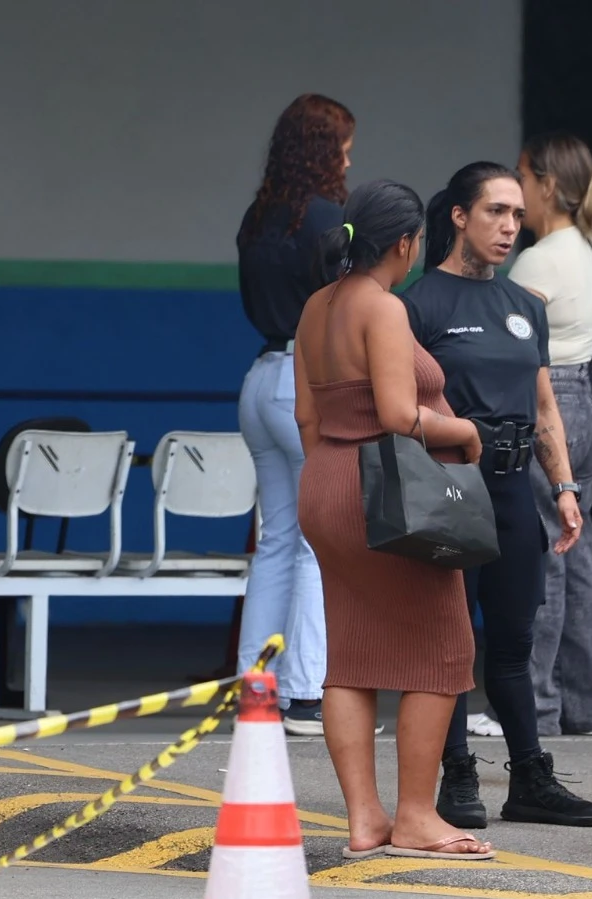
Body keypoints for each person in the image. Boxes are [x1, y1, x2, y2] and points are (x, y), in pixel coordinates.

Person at [402, 162, 592, 829]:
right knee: (450, 644)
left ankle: (529, 777)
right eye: (495, 211)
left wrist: (566, 487)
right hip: (450, 487)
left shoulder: (524, 306)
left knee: (516, 640)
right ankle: (456, 775)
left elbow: (544, 404)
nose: (509, 227)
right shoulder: (418, 304)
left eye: (518, 215)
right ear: (459, 216)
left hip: (517, 489)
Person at [295, 177, 493, 860]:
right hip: (382, 488)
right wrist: (462, 430)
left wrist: (330, 480)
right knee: (444, 649)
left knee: (349, 654)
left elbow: (307, 417)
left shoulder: (316, 307)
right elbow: (399, 414)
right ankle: (415, 816)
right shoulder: (381, 309)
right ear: (406, 243)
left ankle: (364, 819)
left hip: (324, 481)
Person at [235, 93, 354, 737]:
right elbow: (343, 305)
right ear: (323, 149)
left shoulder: (259, 217)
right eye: (344, 145)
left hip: (258, 379)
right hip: (304, 380)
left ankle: (255, 690)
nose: (348, 156)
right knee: (318, 545)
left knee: (277, 540)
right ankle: (307, 694)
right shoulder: (330, 218)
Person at [513, 133, 592, 737]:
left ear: (548, 185)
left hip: (548, 401)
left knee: (543, 556)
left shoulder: (539, 259)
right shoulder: (581, 246)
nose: (516, 192)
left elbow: (514, 348)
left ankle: (535, 706)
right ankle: (586, 706)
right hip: (586, 404)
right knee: (577, 553)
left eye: (523, 177)